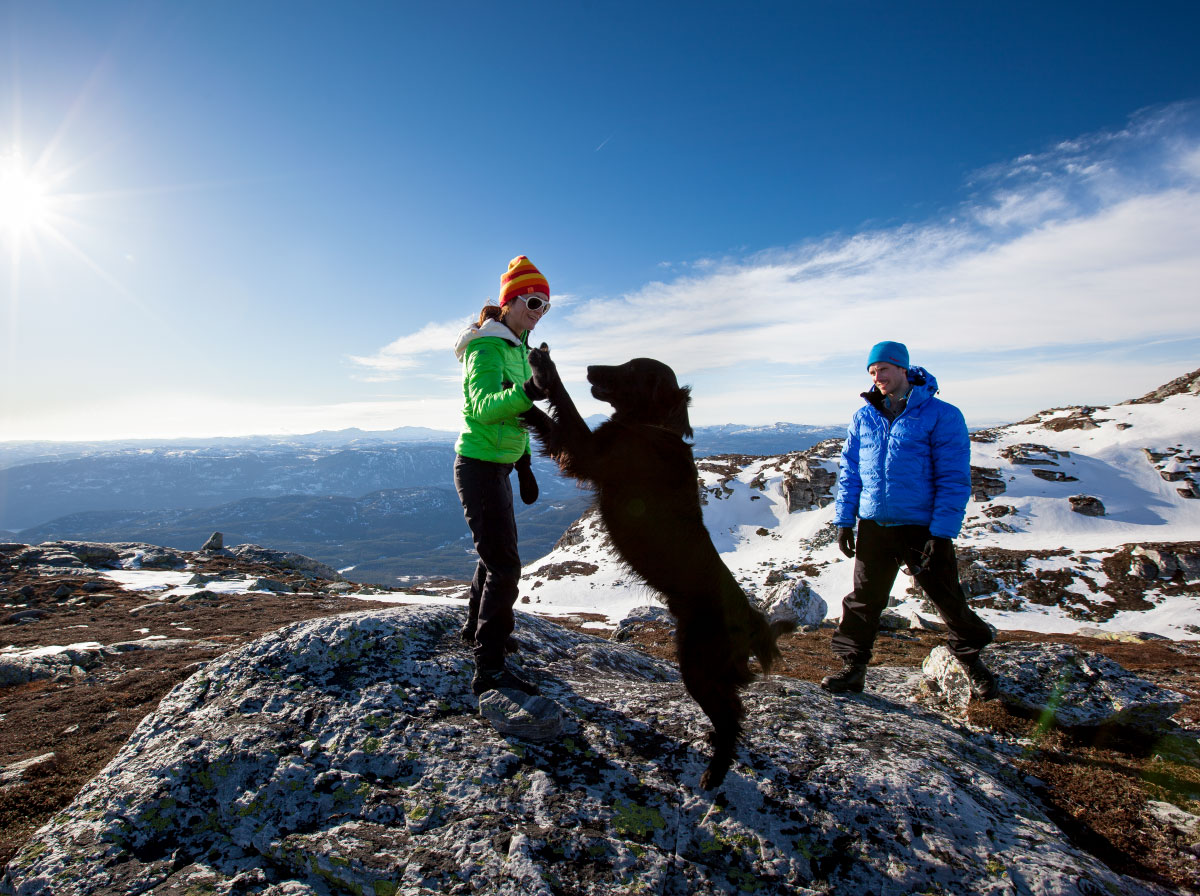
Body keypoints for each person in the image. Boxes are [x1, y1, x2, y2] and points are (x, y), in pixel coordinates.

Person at [823, 340, 999, 700]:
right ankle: (853, 668)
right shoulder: (864, 416)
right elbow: (851, 471)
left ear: (904, 369)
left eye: (884, 369)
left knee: (946, 597)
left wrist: (942, 532)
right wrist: (844, 520)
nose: (878, 377)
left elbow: (953, 477)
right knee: (863, 599)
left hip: (923, 527)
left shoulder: (941, 414)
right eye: (872, 372)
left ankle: (972, 662)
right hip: (875, 524)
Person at [452, 255, 550, 696]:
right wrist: (529, 390)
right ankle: (488, 669)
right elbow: (486, 407)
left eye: (545, 306)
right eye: (532, 301)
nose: (538, 312)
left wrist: (525, 463)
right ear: (509, 302)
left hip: (502, 465)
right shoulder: (486, 347)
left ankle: (475, 630)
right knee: (506, 566)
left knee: (492, 557)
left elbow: (520, 416)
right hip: (478, 466)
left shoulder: (518, 349)